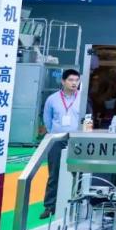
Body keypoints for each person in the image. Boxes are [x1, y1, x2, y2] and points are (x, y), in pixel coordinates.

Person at [40, 68, 83, 220]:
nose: (74, 83)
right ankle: (50, 206)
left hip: (77, 140)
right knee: (54, 173)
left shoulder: (82, 98)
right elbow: (47, 119)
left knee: (78, 172)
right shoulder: (52, 99)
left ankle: (76, 203)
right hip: (57, 139)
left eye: (76, 80)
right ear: (63, 81)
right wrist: (55, 133)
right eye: (71, 80)